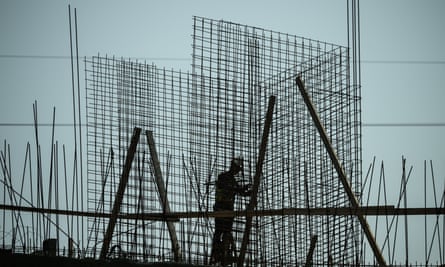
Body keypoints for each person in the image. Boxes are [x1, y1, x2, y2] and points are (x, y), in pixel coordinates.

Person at [210, 156, 251, 265]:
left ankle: (225, 252)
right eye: (237, 169)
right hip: (220, 209)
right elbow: (228, 187)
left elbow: (240, 192)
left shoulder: (232, 180)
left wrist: (248, 192)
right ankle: (216, 253)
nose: (237, 171)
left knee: (227, 232)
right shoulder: (223, 176)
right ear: (233, 167)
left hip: (229, 211)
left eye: (238, 170)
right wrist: (240, 189)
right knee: (219, 231)